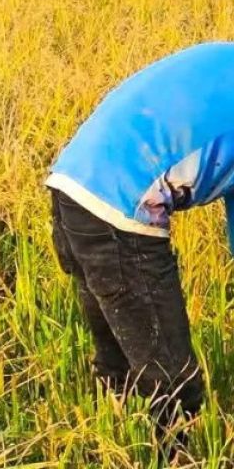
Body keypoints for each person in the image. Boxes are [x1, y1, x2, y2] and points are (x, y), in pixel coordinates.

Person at [45, 42, 234, 451]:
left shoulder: (224, 60)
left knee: (121, 367)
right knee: (174, 382)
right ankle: (175, 456)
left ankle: (111, 445)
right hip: (118, 212)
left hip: (70, 189)